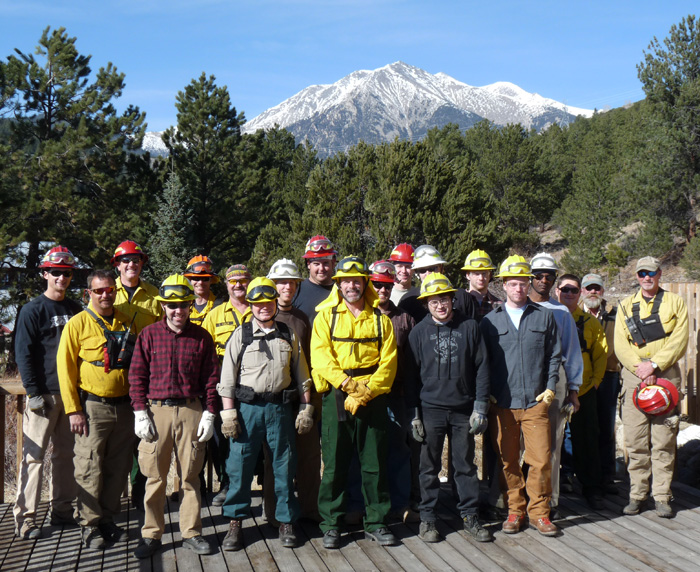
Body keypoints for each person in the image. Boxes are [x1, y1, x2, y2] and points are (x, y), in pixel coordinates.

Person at [218, 277, 313, 551]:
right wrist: (229, 414)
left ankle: (285, 522)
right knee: (240, 467)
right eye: (257, 303)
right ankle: (235, 523)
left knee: (284, 467)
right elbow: (227, 379)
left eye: (268, 302)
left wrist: (306, 408)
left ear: (275, 304)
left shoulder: (287, 333)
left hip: (279, 410)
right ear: (250, 305)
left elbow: (302, 376)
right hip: (247, 411)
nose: (263, 308)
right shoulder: (241, 335)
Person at [311, 255, 398, 548]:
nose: (352, 285)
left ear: (365, 283)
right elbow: (321, 358)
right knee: (335, 463)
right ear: (339, 284)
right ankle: (331, 524)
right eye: (346, 280)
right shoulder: (325, 317)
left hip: (372, 397)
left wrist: (367, 391)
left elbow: (389, 363)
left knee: (374, 463)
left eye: (357, 280)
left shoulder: (380, 320)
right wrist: (348, 386)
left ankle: (376, 521)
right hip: (337, 394)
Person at [129, 275, 219, 558]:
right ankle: (152, 535)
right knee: (154, 477)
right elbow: (137, 376)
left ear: (190, 306)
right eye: (171, 306)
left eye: (182, 305)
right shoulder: (149, 335)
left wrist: (210, 413)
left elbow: (211, 378)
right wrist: (139, 411)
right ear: (163, 307)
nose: (177, 311)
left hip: (192, 409)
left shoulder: (202, 337)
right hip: (156, 412)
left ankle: (191, 532)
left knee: (191, 476)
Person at [406, 272, 491, 543]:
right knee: (428, 466)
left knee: (465, 465)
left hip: (463, 409)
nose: (440, 306)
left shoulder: (470, 327)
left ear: (452, 300)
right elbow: (410, 377)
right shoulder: (418, 332)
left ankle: (469, 515)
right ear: (426, 304)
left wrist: (480, 407)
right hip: (430, 409)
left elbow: (482, 368)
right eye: (434, 302)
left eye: (444, 300)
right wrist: (414, 415)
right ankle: (428, 519)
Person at [57, 269, 139, 549]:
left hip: (125, 407)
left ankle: (107, 519)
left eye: (109, 290)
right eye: (99, 290)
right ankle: (89, 525)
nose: (105, 295)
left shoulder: (127, 322)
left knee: (118, 467)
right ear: (88, 293)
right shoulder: (77, 324)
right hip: (92, 407)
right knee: (89, 466)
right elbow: (65, 370)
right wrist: (73, 410)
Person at [480, 255, 561, 537]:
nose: (518, 288)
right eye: (513, 284)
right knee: (508, 461)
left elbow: (554, 355)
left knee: (540, 460)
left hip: (535, 402)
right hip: (502, 404)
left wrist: (550, 387)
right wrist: (487, 393)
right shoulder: (489, 322)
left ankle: (540, 514)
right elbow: (483, 362)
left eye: (523, 283)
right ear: (503, 285)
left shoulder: (544, 316)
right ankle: (515, 510)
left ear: (529, 284)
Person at [13, 246, 82, 540]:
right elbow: (23, 354)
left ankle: (62, 511)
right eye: (56, 272)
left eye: (66, 273)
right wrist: (33, 392)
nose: (61, 278)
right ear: (45, 274)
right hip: (43, 396)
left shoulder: (77, 309)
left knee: (67, 456)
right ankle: (26, 518)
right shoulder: (32, 310)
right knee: (33, 457)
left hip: (71, 396)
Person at [614, 256, 688, 518]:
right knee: (635, 440)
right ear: (636, 276)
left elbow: (679, 340)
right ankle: (637, 494)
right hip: (635, 378)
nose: (647, 277)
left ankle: (662, 496)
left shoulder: (675, 302)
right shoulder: (624, 306)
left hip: (666, 376)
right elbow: (621, 345)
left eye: (652, 273)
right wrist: (640, 369)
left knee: (664, 440)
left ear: (660, 274)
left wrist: (654, 365)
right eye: (642, 273)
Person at [264, 258, 321, 523]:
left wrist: (309, 402)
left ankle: (310, 511)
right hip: (272, 401)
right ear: (272, 285)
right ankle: (276, 514)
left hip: (302, 398)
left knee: (309, 458)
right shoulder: (263, 316)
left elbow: (309, 361)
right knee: (276, 460)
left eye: (291, 282)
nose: (287, 287)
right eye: (281, 282)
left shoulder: (302, 319)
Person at [529, 252, 583, 517]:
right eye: (538, 275)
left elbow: (572, 353)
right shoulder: (515, 307)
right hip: (524, 377)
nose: (543, 280)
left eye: (549, 276)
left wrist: (574, 390)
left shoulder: (561, 312)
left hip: (557, 378)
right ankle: (517, 500)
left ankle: (549, 501)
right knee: (519, 445)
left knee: (552, 443)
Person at [370, 260, 418, 522]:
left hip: (397, 394)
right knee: (370, 451)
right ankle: (373, 503)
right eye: (377, 285)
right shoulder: (364, 316)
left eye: (387, 286)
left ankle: (400, 504)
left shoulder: (404, 318)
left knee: (399, 449)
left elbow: (411, 361)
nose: (382, 291)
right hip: (368, 395)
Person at [556, 274, 608, 509]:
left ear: (580, 294)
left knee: (587, 441)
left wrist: (595, 382)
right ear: (557, 291)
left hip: (585, 389)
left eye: (573, 290)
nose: (568, 293)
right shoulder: (548, 318)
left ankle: (592, 489)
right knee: (547, 442)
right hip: (553, 389)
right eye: (564, 289)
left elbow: (600, 355)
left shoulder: (591, 323)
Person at [202, 263, 252, 505]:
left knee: (255, 436)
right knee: (224, 439)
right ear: (226, 284)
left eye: (243, 280)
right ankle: (226, 484)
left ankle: (260, 485)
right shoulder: (215, 315)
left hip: (255, 385)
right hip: (225, 387)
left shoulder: (260, 309)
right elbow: (204, 352)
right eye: (233, 281)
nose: (238, 285)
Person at [580, 273, 621, 492]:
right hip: (583, 378)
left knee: (606, 427)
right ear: (582, 292)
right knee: (580, 428)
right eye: (588, 288)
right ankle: (579, 473)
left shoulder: (615, 316)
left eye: (596, 288)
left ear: (602, 291)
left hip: (609, 375)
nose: (593, 292)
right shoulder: (575, 316)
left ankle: (607, 475)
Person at [399, 245, 475, 323]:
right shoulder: (408, 301)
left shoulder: (461, 297)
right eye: (422, 270)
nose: (428, 273)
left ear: (442, 268)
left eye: (432, 268)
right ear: (417, 273)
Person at [112, 240, 162, 332]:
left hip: (146, 346)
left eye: (135, 260)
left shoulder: (154, 293)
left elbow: (163, 328)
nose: (131, 264)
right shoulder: (107, 291)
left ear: (141, 264)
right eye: (126, 261)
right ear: (118, 265)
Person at [292, 234, 337, 323]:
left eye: (326, 263)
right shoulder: (296, 290)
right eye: (316, 264)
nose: (321, 268)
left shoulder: (341, 290)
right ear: (308, 264)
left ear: (333, 263)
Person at [462, 249, 502, 322]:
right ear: (468, 275)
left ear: (489, 275)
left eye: (484, 273)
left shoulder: (499, 305)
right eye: (476, 274)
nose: (481, 278)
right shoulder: (459, 304)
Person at [183, 255, 222, 326]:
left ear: (211, 280)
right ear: (189, 280)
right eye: (196, 278)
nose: (200, 282)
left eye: (205, 279)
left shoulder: (221, 306)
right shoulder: (183, 306)